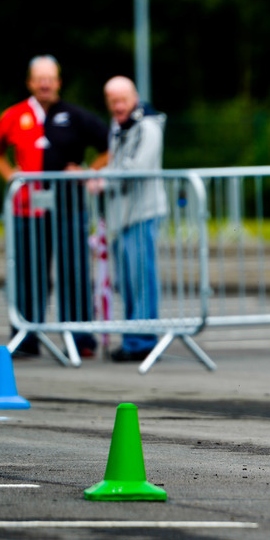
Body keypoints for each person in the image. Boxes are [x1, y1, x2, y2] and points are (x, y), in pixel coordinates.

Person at [0, 55, 108, 357]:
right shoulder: (15, 115)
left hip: (68, 208)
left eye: (50, 78)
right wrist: (10, 176)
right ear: (30, 82)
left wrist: (89, 170)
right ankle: (26, 338)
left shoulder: (75, 115)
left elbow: (109, 144)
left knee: (74, 271)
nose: (45, 83)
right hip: (27, 210)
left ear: (59, 82)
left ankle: (80, 340)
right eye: (39, 78)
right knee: (28, 273)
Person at [101, 76, 168, 362]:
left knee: (141, 279)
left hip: (142, 213)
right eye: (113, 101)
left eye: (123, 100)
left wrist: (103, 179)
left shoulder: (148, 127)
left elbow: (137, 167)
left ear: (134, 97)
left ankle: (142, 341)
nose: (118, 106)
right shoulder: (120, 128)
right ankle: (132, 338)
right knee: (127, 281)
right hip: (123, 217)